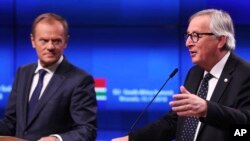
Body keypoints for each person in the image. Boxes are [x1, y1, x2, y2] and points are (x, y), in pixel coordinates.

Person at [112, 9, 250, 141]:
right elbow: (175, 121)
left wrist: (208, 109)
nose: (188, 43)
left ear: (220, 40)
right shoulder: (195, 73)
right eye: (188, 36)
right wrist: (132, 139)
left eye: (196, 36)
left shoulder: (245, 74)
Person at [0, 13, 97, 141]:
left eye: (56, 41)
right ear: (33, 41)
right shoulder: (23, 72)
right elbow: (11, 122)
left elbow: (87, 130)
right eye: (44, 40)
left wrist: (57, 139)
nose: (50, 47)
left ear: (65, 42)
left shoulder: (80, 80)